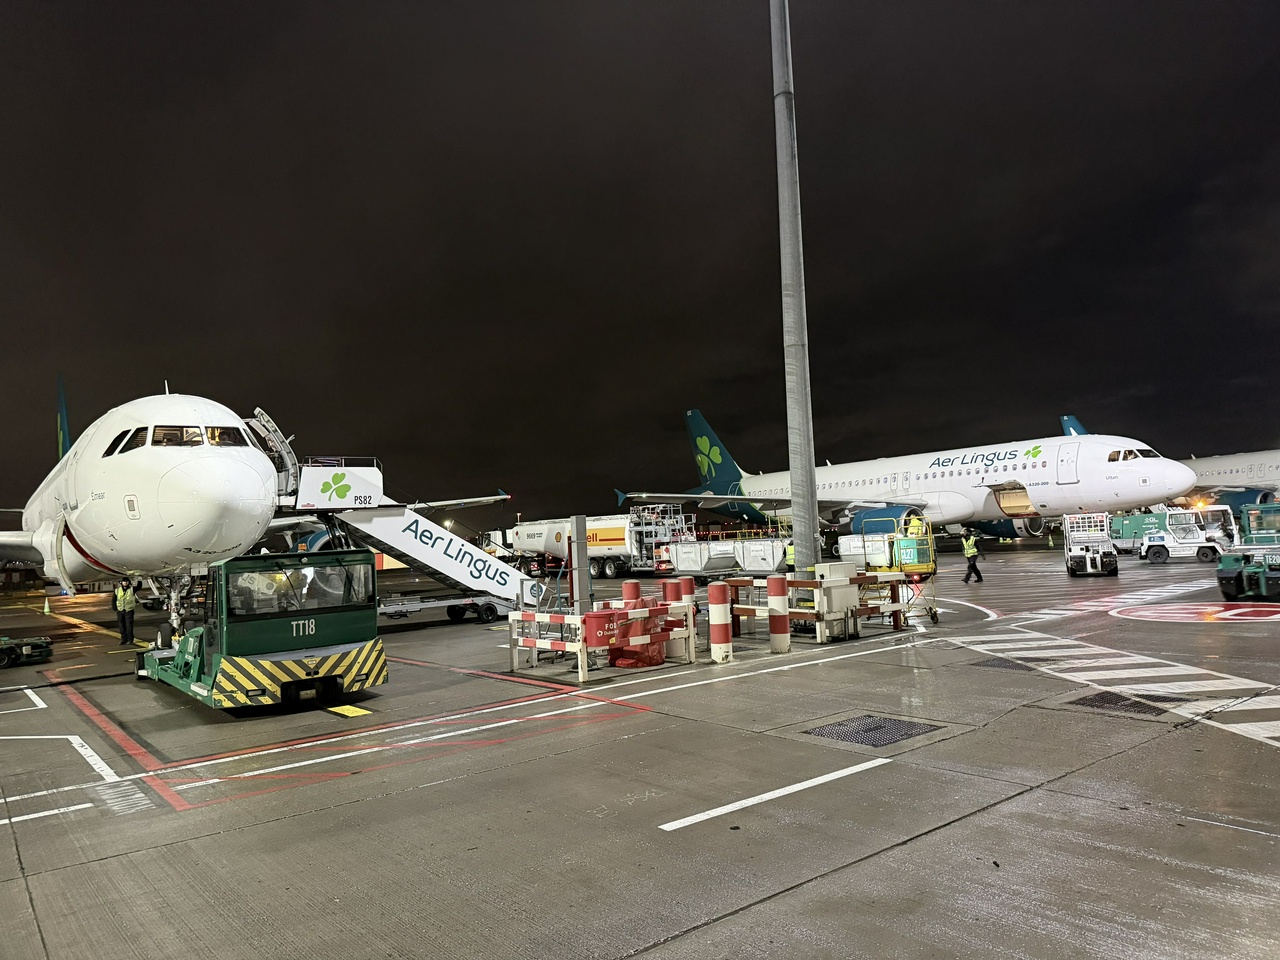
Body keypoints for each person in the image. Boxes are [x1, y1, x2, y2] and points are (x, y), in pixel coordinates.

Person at [111, 577, 137, 645]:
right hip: (120, 611)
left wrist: (139, 579)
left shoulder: (132, 589)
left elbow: (139, 587)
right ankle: (123, 639)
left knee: (129, 626)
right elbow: (114, 600)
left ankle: (130, 640)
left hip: (128, 611)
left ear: (129, 582)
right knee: (121, 627)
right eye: (124, 581)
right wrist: (115, 609)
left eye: (126, 581)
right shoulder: (117, 590)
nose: (125, 582)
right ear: (121, 582)